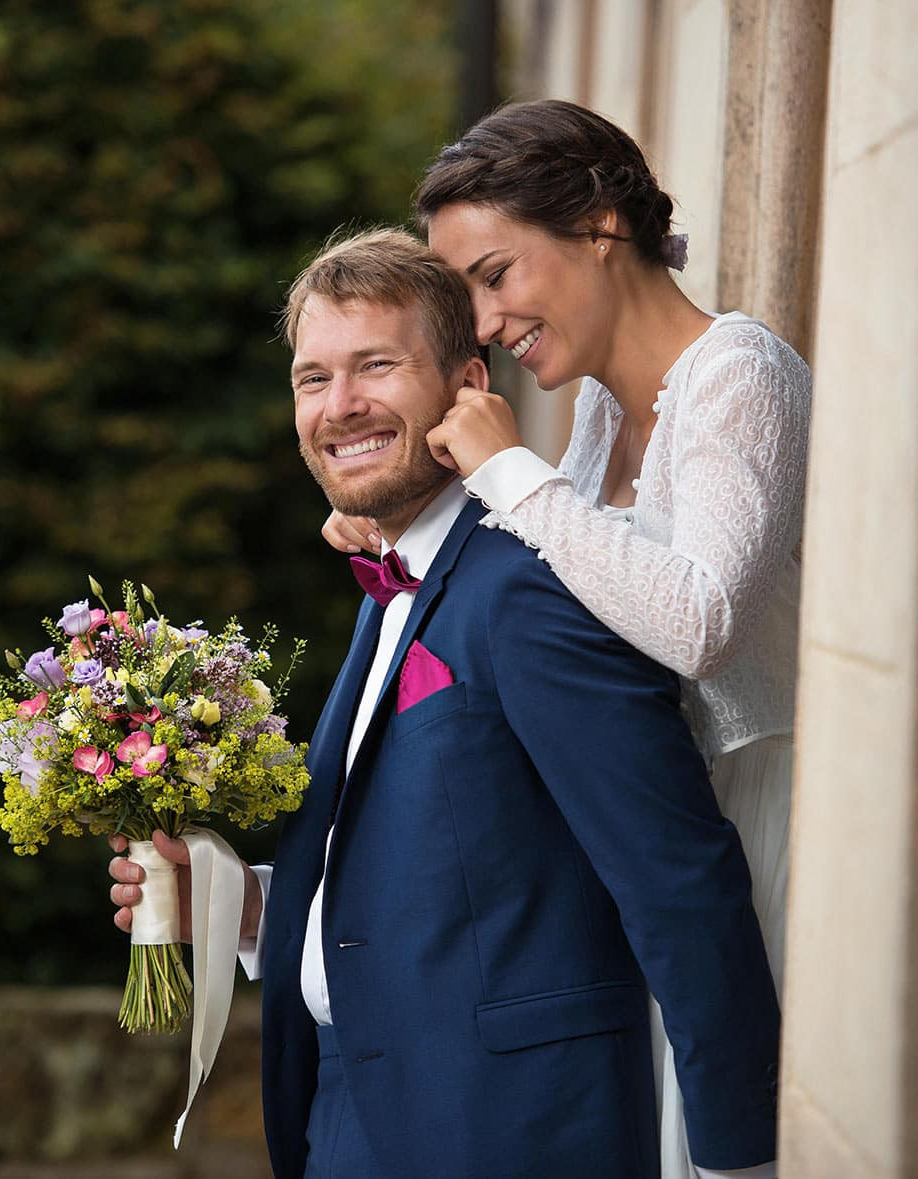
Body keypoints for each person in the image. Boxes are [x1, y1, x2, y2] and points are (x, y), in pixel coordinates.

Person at [111, 228, 778, 1178]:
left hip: (514, 1133)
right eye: (312, 378)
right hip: (346, 1119)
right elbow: (448, 875)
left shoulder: (531, 589)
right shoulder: (389, 588)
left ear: (469, 384)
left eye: (376, 366)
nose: (340, 406)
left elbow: (678, 877)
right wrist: (232, 905)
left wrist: (739, 1156)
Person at [322, 101, 810, 1176]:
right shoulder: (594, 416)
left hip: (750, 832)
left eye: (495, 276)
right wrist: (406, 518)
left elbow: (697, 625)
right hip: (629, 838)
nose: (485, 322)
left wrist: (506, 476)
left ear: (596, 225)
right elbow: (563, 610)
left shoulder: (741, 375)